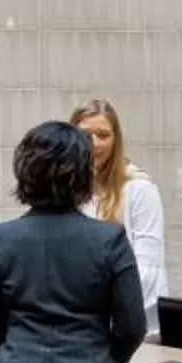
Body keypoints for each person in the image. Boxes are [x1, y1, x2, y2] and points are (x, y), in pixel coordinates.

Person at [0, 121, 148, 363]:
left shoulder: (1, 238)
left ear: (24, 174)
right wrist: (108, 356)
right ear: (85, 175)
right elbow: (132, 327)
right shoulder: (110, 239)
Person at [72, 97, 166, 337]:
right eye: (85, 135)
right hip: (78, 312)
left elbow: (148, 270)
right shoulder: (67, 190)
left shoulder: (140, 189)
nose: (94, 144)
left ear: (116, 140)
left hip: (130, 318)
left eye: (103, 136)